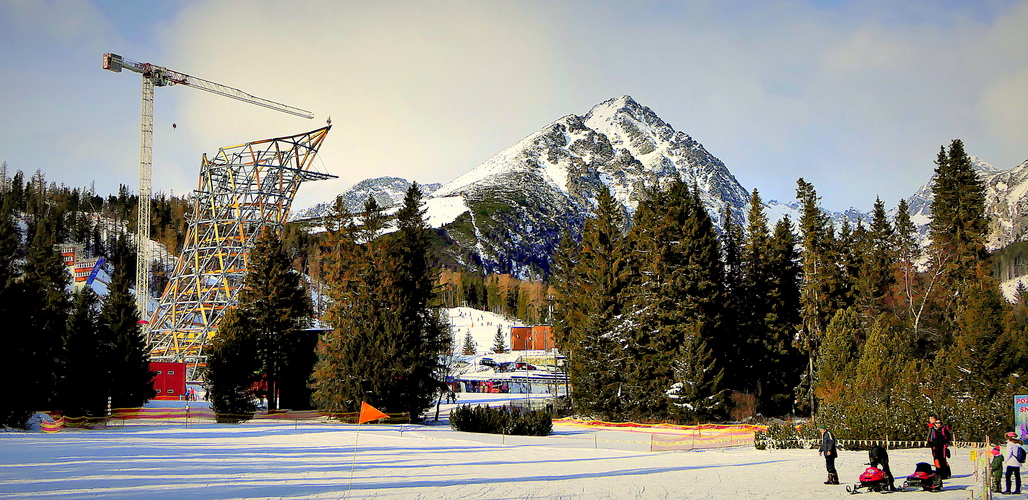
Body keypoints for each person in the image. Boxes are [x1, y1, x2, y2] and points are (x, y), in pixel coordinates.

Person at [927, 415, 953, 479]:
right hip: (934, 446)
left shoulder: (943, 429)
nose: (931, 420)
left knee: (942, 460)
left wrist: (942, 443)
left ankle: (945, 474)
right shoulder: (932, 427)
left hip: (942, 447)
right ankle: (940, 473)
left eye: (932, 419)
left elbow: (947, 438)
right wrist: (930, 442)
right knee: (937, 460)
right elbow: (930, 436)